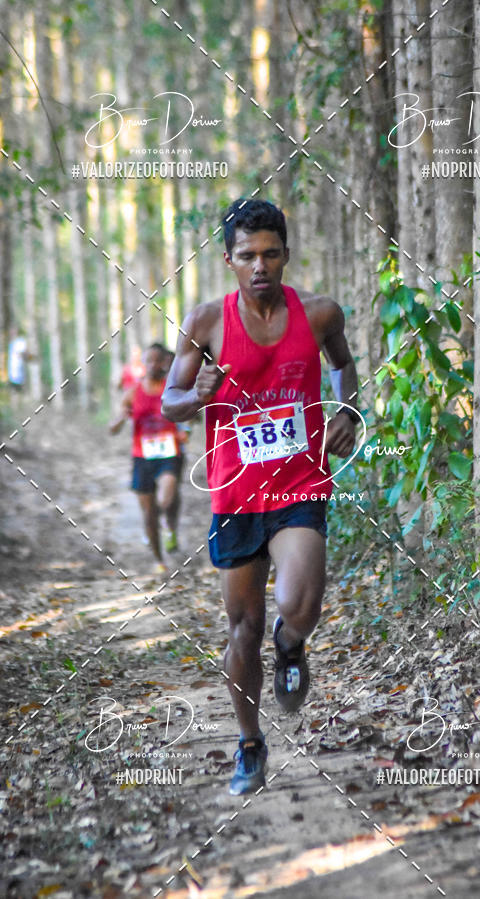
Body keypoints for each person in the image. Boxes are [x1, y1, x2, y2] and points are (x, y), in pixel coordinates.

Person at [162, 198, 360, 795]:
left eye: (271, 254)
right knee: (242, 628)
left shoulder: (320, 313)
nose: (260, 266)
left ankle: (292, 643)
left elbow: (343, 366)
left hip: (300, 484)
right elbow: (171, 400)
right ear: (228, 259)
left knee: (300, 603)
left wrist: (349, 408)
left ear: (286, 255)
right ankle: (250, 743)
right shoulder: (206, 324)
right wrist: (196, 394)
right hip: (235, 496)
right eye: (247, 255)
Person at [111, 342, 184, 570]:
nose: (153, 365)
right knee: (149, 513)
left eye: (158, 360)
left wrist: (185, 431)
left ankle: (170, 525)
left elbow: (189, 415)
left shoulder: (172, 389)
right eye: (149, 360)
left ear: (165, 363)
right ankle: (159, 560)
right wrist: (122, 418)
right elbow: (112, 429)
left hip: (169, 453)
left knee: (166, 499)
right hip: (142, 457)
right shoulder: (133, 392)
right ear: (143, 363)